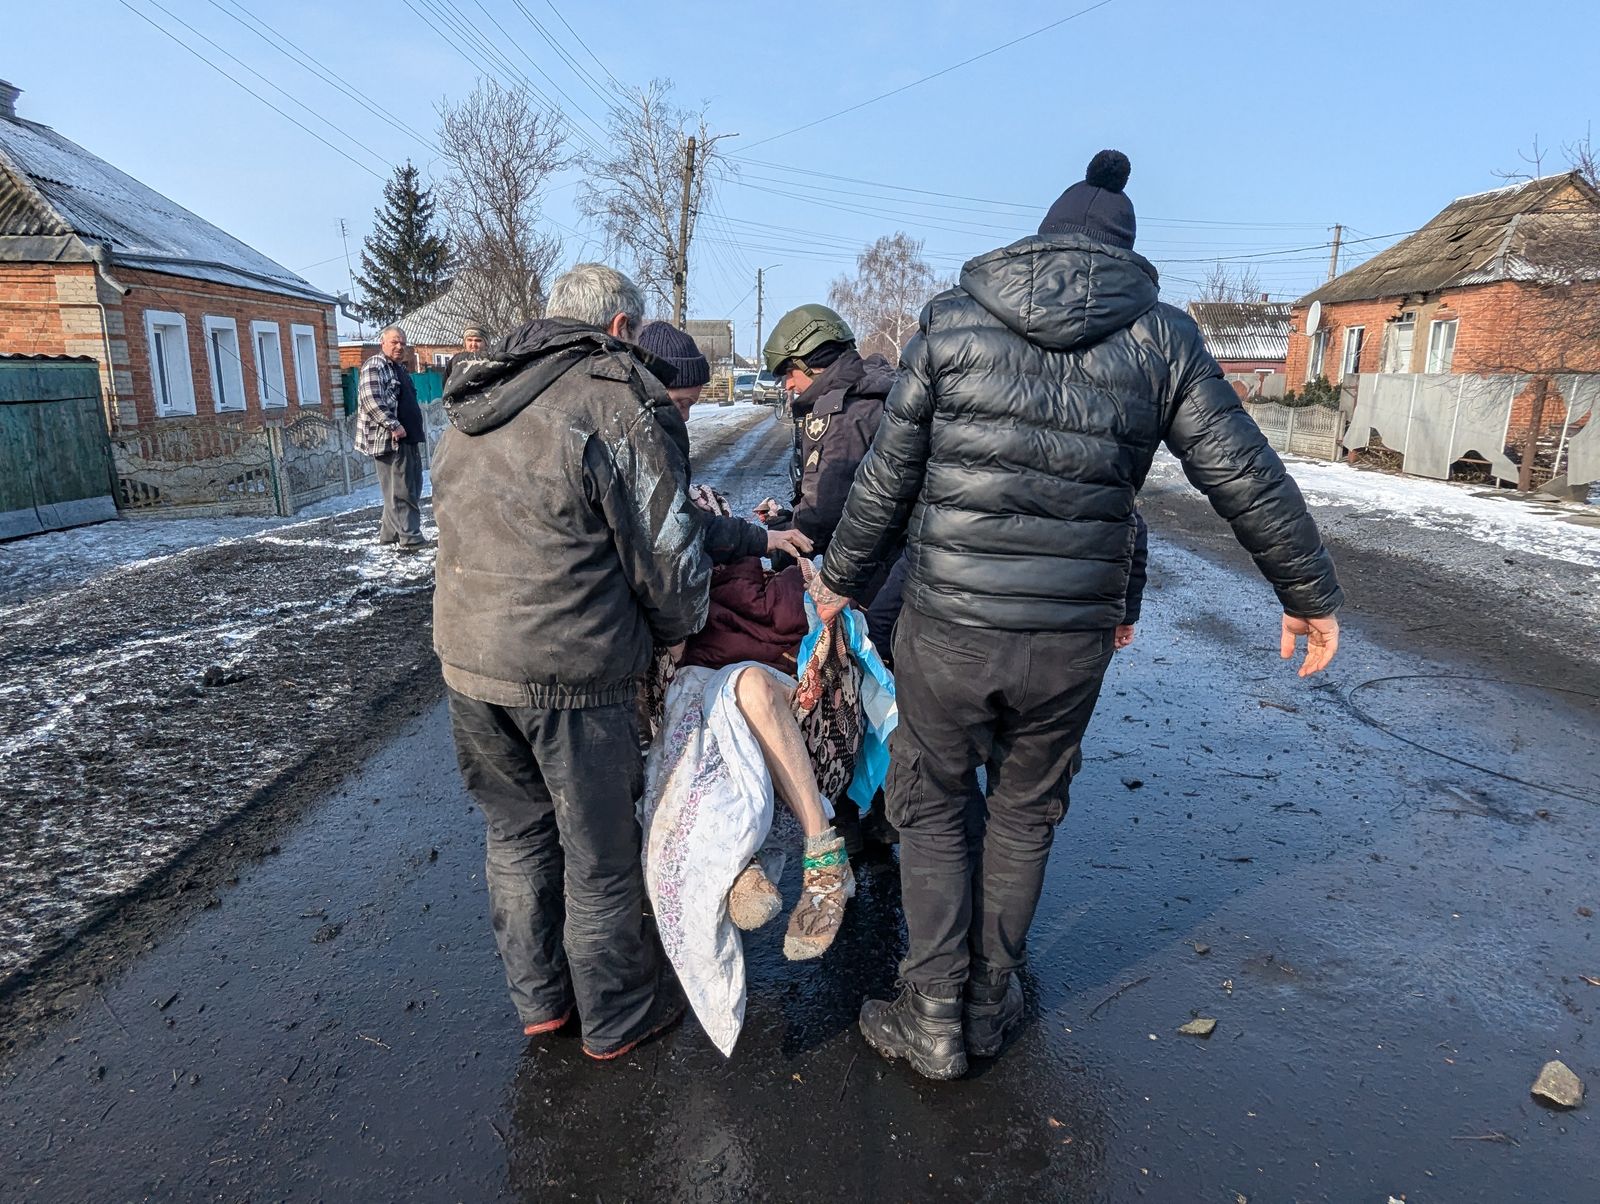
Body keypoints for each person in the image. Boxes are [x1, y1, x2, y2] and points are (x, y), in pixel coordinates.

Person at [812, 150, 1344, 1081]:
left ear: (1045, 234)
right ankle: (988, 998)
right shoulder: (1161, 339)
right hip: (1069, 641)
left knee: (932, 803)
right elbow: (1241, 470)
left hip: (950, 628)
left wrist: (840, 579)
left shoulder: (952, 323)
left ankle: (932, 1014)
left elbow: (887, 476)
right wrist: (1305, 591)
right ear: (1124, 252)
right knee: (1024, 811)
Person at [431, 263, 711, 1062]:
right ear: (620, 328)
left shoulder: (470, 402)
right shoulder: (609, 398)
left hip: (469, 666)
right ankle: (620, 1018)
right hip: (573, 670)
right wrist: (680, 627)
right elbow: (665, 554)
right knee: (599, 854)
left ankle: (542, 1005)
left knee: (516, 838)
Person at [634, 320, 812, 565]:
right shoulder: (637, 445)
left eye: (691, 405)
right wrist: (760, 540)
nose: (685, 417)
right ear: (652, 389)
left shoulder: (656, 432)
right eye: (680, 403)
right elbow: (675, 526)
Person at [355, 325, 427, 550]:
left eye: (402, 343)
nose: (399, 347)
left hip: (408, 439)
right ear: (382, 343)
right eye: (394, 342)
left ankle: (389, 535)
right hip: (390, 440)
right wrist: (393, 425)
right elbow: (371, 400)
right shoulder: (375, 366)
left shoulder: (399, 368)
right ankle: (411, 538)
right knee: (401, 491)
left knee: (407, 486)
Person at [441, 324, 487, 388]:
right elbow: (446, 387)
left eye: (478, 340)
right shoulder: (455, 362)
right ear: (465, 343)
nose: (473, 344)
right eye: (469, 340)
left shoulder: (492, 362)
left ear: (486, 343)